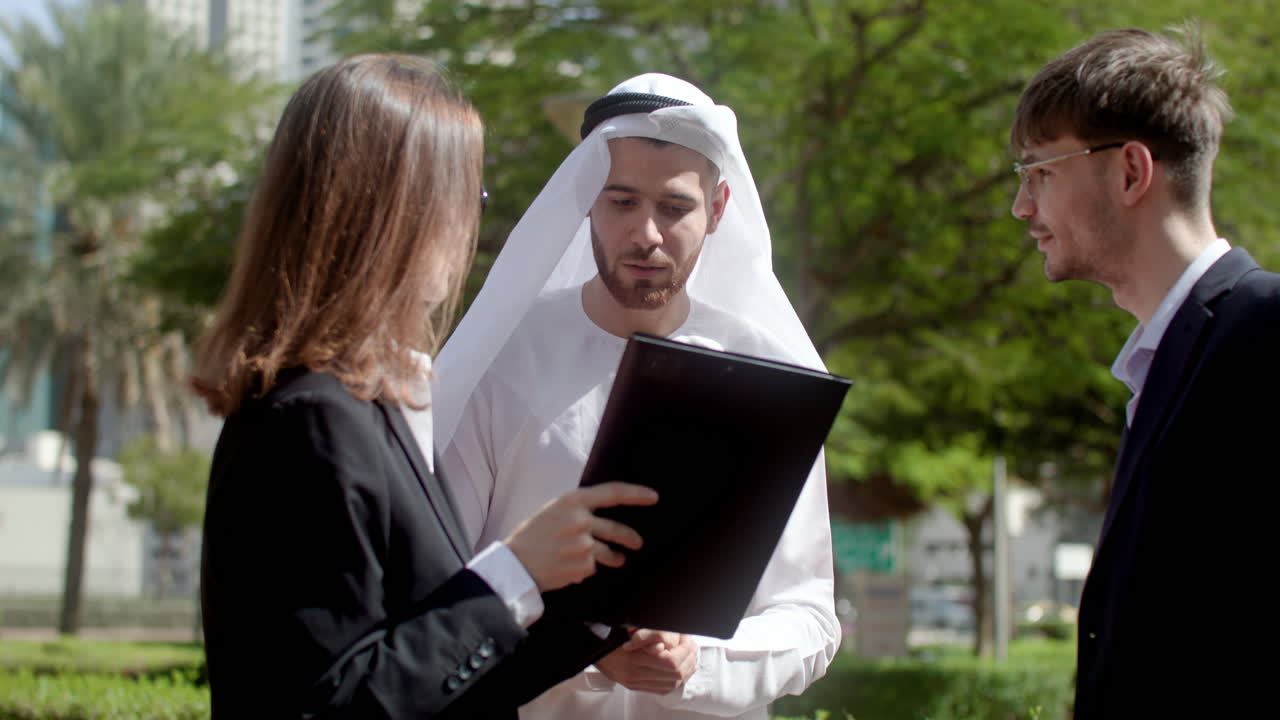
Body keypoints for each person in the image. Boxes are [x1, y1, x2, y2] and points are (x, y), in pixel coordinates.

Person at [193, 54, 661, 719]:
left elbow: (434, 686)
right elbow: (329, 703)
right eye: (467, 198)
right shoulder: (310, 421)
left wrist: (593, 620)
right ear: (391, 212)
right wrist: (512, 574)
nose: (471, 226)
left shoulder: (372, 407)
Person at [409, 73, 840, 720]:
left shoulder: (766, 371)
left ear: (718, 209)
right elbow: (447, 590)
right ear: (587, 201)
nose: (647, 234)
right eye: (621, 202)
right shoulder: (503, 357)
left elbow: (809, 618)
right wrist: (581, 651)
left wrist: (698, 660)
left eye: (674, 207)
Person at [1010, 28, 1280, 718]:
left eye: (1041, 171)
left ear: (1131, 171)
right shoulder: (1165, 360)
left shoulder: (1265, 332)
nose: (1023, 208)